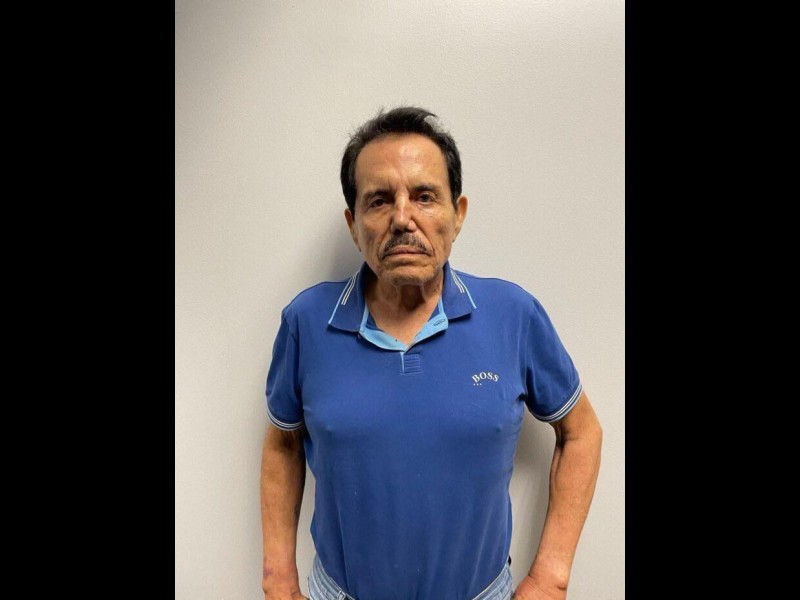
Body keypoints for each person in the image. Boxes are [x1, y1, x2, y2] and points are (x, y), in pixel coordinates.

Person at [260, 106, 602, 600]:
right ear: (354, 223)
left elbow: (582, 432)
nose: (403, 219)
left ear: (457, 214)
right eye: (379, 200)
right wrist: (277, 580)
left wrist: (551, 576)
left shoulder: (513, 315)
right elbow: (282, 445)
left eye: (424, 196)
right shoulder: (307, 322)